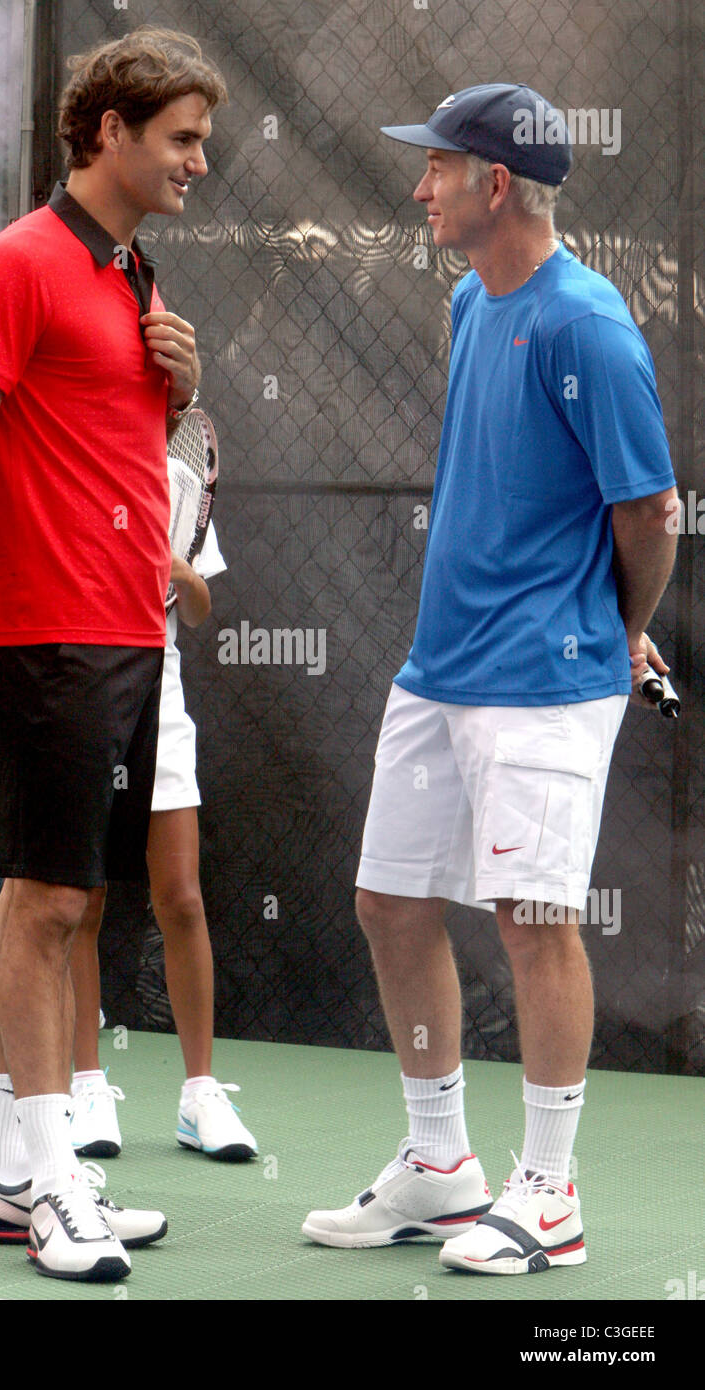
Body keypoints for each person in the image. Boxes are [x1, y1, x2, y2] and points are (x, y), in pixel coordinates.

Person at [303, 83, 678, 1274]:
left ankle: (549, 1192)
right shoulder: (472, 299)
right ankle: (440, 1165)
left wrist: (617, 628)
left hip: (544, 679)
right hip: (439, 669)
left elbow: (648, 512)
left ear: (492, 184)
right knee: (391, 904)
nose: (418, 188)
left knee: (531, 923)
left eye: (435, 169)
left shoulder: (590, 327)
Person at [0, 28, 228, 1283]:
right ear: (107, 131)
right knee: (38, 907)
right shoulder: (18, 267)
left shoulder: (132, 274)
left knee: (67, 899)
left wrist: (178, 390)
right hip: (44, 638)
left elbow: (104, 446)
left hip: (125, 629)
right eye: (182, 138)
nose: (200, 160)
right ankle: (50, 1190)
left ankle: (6, 1179)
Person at [69, 520, 258, 1162]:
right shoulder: (87, 459)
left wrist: (183, 574)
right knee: (81, 901)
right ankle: (85, 1083)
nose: (173, 410)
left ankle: (200, 1093)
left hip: (161, 689)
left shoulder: (177, 474)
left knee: (181, 900)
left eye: (178, 406)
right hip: (81, 683)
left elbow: (199, 609)